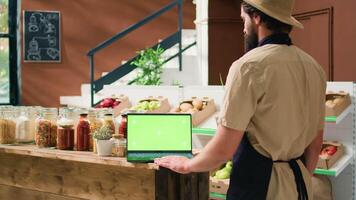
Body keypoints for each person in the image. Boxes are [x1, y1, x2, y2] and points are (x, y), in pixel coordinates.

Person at [155, 0, 326, 199]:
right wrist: (300, 181)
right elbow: (315, 145)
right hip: (299, 186)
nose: (243, 28)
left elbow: (224, 148)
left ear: (257, 18)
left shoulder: (248, 66)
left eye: (243, 19)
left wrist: (186, 164)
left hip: (258, 187)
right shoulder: (314, 67)